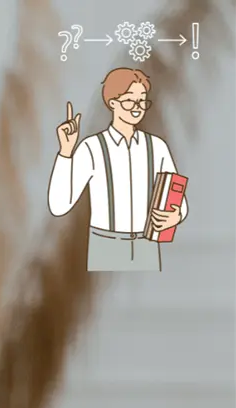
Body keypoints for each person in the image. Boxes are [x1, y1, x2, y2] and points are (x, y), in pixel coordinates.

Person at [47, 67, 187, 272]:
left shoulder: (157, 147)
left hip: (146, 245)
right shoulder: (92, 147)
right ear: (112, 102)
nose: (137, 108)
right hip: (106, 244)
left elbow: (178, 198)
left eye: (142, 101)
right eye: (130, 101)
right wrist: (66, 152)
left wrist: (177, 216)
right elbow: (59, 205)